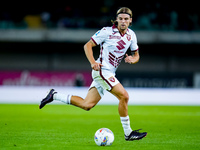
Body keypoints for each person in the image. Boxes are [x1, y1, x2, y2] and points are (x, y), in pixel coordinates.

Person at [39, 7, 147, 141]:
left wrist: (133, 59)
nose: (123, 21)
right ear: (116, 20)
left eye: (126, 19)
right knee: (124, 96)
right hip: (102, 70)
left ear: (130, 20)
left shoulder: (132, 35)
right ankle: (128, 133)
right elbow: (87, 45)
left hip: (110, 73)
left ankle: (54, 95)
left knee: (87, 105)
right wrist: (92, 62)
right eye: (120, 19)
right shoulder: (106, 32)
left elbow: (136, 55)